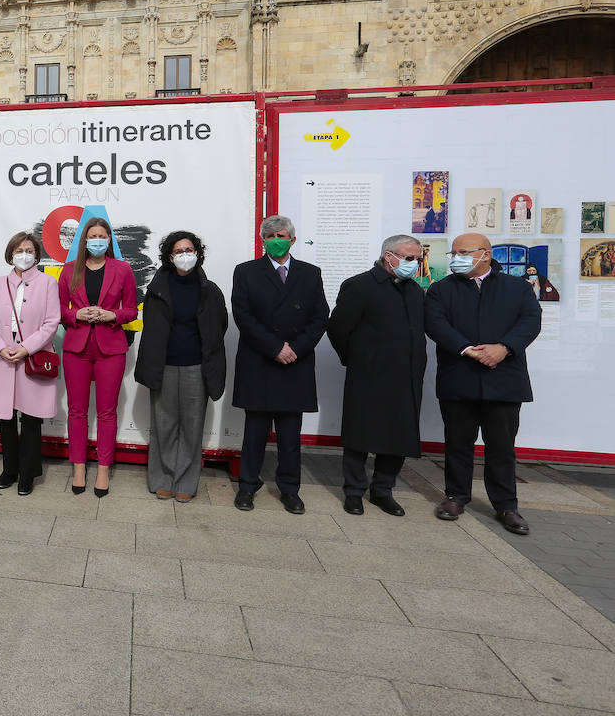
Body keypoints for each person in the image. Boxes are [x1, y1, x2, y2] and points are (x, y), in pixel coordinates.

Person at [425, 233, 542, 535]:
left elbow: (530, 321)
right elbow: (435, 323)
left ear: (486, 255)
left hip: (504, 378)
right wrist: (467, 349)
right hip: (459, 376)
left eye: (464, 252)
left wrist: (504, 348)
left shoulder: (517, 288)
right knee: (458, 444)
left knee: (501, 447)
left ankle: (506, 505)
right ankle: (455, 497)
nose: (456, 257)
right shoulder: (441, 289)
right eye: (454, 252)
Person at [231, 215, 329, 514]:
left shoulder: (310, 273)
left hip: (294, 365)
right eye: (270, 235)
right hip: (259, 361)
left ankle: (290, 490)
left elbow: (319, 317)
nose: (276, 239)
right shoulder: (246, 272)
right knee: (254, 433)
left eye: (282, 235)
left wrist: (294, 349)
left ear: (293, 240)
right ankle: (247, 487)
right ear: (263, 240)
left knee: (290, 436)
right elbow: (243, 316)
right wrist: (275, 348)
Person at [326, 235, 426, 517]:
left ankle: (383, 490)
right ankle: (354, 492)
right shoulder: (359, 286)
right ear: (388, 256)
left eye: (417, 259)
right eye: (408, 258)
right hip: (369, 374)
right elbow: (337, 329)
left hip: (406, 376)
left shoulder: (416, 292)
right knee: (361, 434)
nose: (413, 264)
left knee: (399, 435)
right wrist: (356, 359)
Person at [134, 230, 228, 502]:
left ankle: (186, 481)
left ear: (198, 253)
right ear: (169, 256)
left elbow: (219, 326)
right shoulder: (157, 288)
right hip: (164, 365)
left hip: (196, 367)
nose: (184, 255)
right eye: (178, 252)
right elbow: (151, 328)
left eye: (189, 250)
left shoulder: (210, 290)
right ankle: (162, 478)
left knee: (192, 425)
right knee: (163, 425)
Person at [58, 217, 138, 497]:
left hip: (111, 349)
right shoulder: (69, 270)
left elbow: (131, 310)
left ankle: (103, 469)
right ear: (84, 240)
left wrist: (112, 314)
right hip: (76, 349)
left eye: (103, 236)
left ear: (109, 240)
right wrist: (74, 314)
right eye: (92, 236)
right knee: (77, 411)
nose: (98, 240)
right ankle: (78, 467)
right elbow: (58, 310)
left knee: (107, 412)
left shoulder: (123, 269)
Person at [0, 231, 60, 496]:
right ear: (10, 254)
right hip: (4, 357)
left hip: (32, 356)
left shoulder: (48, 283)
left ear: (36, 254)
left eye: (29, 250)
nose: (24, 255)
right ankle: (9, 469)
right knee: (6, 417)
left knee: (31, 418)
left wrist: (26, 347)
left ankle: (28, 473)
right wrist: (1, 347)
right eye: (18, 250)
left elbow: (51, 322)